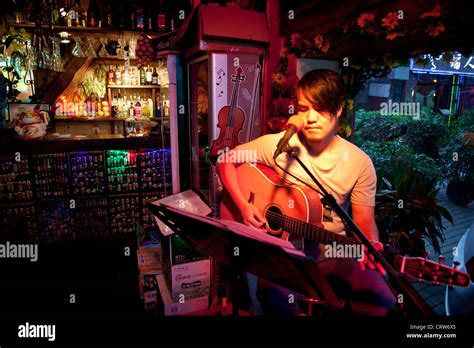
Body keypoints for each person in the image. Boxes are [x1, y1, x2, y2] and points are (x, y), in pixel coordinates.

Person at [216, 69, 397, 316]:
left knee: (384, 300)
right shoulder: (278, 145)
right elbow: (225, 160)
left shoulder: (359, 163)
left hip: (334, 249)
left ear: (339, 110)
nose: (310, 118)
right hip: (284, 252)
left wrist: (371, 245)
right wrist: (243, 205)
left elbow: (365, 222)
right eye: (303, 109)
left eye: (320, 109)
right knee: (276, 299)